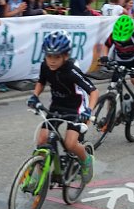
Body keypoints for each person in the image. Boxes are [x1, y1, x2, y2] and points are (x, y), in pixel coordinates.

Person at [27, 30, 97, 183]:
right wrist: (35, 96)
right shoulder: (45, 66)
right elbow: (41, 81)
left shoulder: (71, 71)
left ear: (65, 56)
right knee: (42, 140)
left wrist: (89, 111)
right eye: (48, 56)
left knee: (70, 144)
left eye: (57, 57)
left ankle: (86, 161)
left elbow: (93, 91)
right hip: (57, 106)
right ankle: (38, 176)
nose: (52, 61)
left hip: (76, 108)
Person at [99, 13, 134, 114]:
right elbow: (106, 45)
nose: (121, 41)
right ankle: (108, 117)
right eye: (119, 39)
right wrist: (105, 57)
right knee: (112, 87)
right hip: (121, 59)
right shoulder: (114, 34)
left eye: (124, 38)